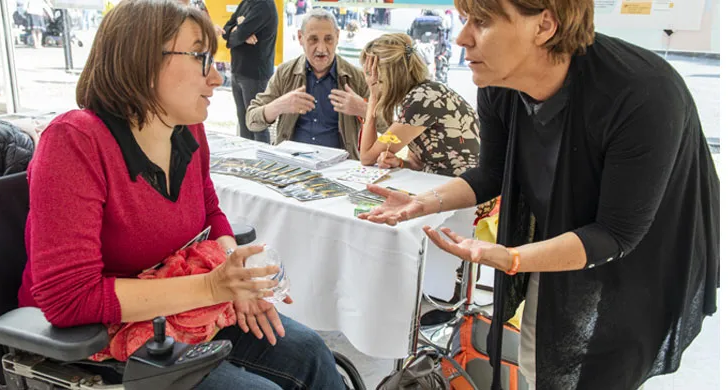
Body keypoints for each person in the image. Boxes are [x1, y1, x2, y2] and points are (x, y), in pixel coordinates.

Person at [358, 0, 719, 389]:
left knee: (609, 361)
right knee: (540, 355)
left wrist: (511, 257)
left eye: (481, 22)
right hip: (562, 228)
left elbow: (617, 233)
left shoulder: (642, 92)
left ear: (544, 25)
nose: (462, 37)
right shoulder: (498, 84)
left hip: (645, 246)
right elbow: (492, 173)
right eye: (464, 20)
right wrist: (426, 202)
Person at [16, 1, 346, 389]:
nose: (217, 78)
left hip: (183, 310)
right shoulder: (75, 142)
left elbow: (209, 212)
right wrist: (213, 286)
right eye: (200, 57)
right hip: (99, 338)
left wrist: (234, 278)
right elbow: (68, 298)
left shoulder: (187, 130)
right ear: (142, 58)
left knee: (311, 353)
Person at [246, 9, 385, 158]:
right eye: (313, 39)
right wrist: (279, 105)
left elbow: (391, 127)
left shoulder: (356, 78)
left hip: (340, 167)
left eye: (328, 39)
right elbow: (251, 121)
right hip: (291, 163)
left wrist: (364, 109)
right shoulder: (285, 73)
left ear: (337, 37)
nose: (321, 48)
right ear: (300, 38)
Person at [358, 33, 480, 177]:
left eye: (371, 74)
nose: (371, 80)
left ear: (387, 76)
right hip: (450, 183)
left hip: (462, 188)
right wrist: (399, 162)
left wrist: (373, 97)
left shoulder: (420, 101)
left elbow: (366, 157)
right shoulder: (424, 92)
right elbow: (416, 163)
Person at [222, 0, 278, 143]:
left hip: (255, 75)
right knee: (243, 124)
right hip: (238, 71)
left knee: (257, 125)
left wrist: (238, 30)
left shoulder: (264, 5)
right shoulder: (246, 2)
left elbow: (237, 34)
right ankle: (247, 160)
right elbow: (225, 30)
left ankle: (261, 163)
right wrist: (238, 29)